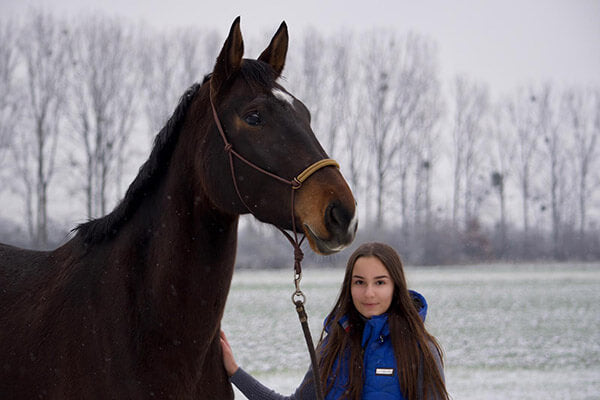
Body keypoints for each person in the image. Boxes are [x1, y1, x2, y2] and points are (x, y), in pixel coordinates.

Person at [220, 242, 449, 400]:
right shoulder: (333, 346)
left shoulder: (419, 349)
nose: (369, 293)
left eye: (380, 283)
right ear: (349, 287)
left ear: (395, 287)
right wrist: (234, 372)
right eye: (359, 282)